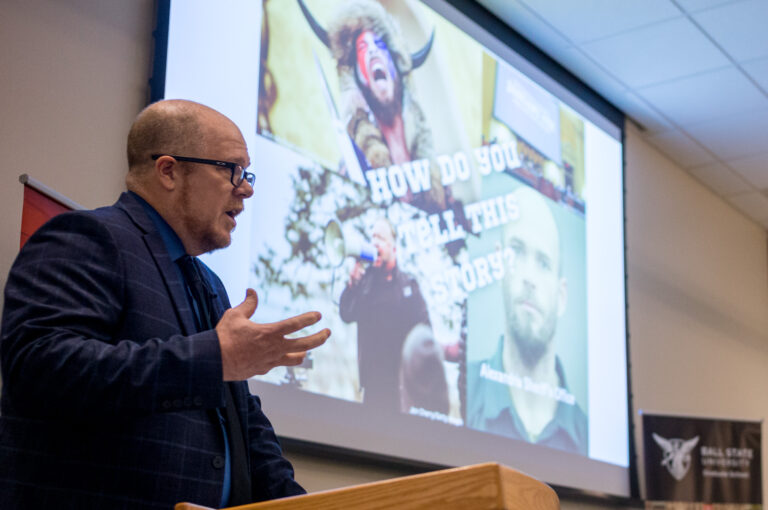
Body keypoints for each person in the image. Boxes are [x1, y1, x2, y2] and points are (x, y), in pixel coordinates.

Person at [0, 99, 330, 509]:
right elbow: (41, 368)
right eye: (231, 169)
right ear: (168, 171)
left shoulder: (210, 284)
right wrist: (213, 358)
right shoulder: (86, 238)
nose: (245, 188)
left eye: (246, 173)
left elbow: (243, 425)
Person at [466, 186, 587, 455]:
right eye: (517, 251)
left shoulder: (589, 436)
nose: (529, 277)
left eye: (543, 263)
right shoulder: (460, 394)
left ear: (562, 296)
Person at [297, 0, 447, 212]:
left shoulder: (434, 164)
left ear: (396, 69)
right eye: (363, 47)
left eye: (380, 46)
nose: (373, 52)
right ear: (359, 77)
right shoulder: (352, 167)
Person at [339, 217, 430, 413]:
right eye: (372, 237)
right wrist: (352, 285)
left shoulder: (408, 286)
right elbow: (346, 314)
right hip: (373, 387)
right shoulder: (365, 282)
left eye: (380, 238)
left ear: (393, 247)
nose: (374, 242)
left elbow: (425, 331)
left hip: (402, 388)